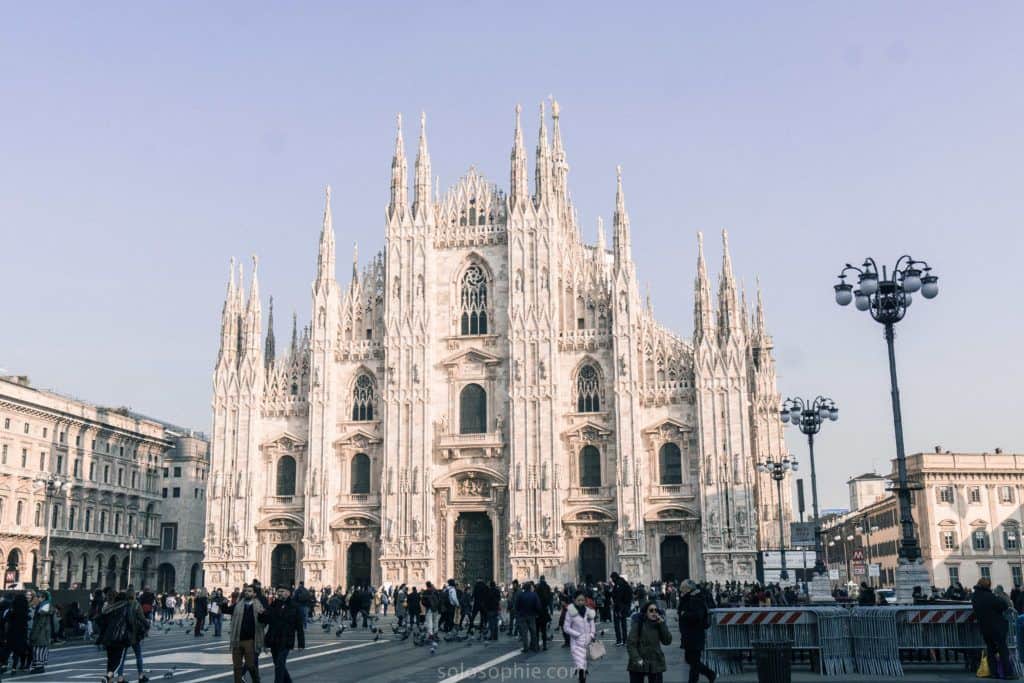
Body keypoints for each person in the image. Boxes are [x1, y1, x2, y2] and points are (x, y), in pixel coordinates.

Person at [260, 586, 305, 683]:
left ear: (288, 593)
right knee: (278, 664)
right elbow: (267, 620)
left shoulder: (295, 606)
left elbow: (299, 627)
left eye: (282, 591)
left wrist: (301, 644)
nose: (279, 593)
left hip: (286, 640)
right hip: (273, 639)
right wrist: (262, 614)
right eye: (278, 591)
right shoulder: (273, 604)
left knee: (280, 664)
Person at [973, 577, 1015, 680]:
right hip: (996, 627)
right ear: (988, 585)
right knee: (1002, 649)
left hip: (984, 628)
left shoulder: (974, 597)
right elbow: (1003, 605)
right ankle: (1008, 673)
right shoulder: (990, 596)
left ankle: (993, 672)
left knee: (990, 650)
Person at [96, 590, 142, 683]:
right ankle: (108, 677)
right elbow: (130, 621)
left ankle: (110, 680)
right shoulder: (126, 607)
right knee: (118, 661)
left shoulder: (109, 608)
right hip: (120, 637)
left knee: (110, 660)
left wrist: (101, 637)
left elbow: (101, 622)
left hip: (108, 638)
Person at [677, 580, 716, 683]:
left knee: (693, 661)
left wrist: (683, 615)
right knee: (692, 660)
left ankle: (709, 674)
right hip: (690, 634)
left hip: (695, 634)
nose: (681, 590)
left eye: (683, 588)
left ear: (689, 589)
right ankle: (708, 674)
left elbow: (697, 615)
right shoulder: (688, 598)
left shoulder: (696, 599)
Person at [627, 600, 672, 683]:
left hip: (655, 662)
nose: (654, 612)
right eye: (651, 610)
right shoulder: (638, 624)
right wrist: (637, 659)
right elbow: (630, 644)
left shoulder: (659, 624)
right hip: (639, 661)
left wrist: (662, 624)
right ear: (645, 612)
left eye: (656, 610)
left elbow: (667, 641)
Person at [230, 584, 265, 683]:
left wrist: (264, 615)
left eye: (249, 591)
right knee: (237, 666)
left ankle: (256, 680)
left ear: (254, 594)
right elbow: (228, 610)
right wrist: (223, 605)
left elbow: (264, 619)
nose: (246, 593)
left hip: (250, 640)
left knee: (250, 665)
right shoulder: (238, 605)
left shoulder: (258, 605)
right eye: (245, 591)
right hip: (237, 639)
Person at [116, 591, 151, 683]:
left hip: (124, 634)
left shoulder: (122, 605)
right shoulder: (136, 605)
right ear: (134, 596)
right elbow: (142, 618)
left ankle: (120, 678)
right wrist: (147, 626)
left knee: (122, 658)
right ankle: (140, 676)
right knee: (138, 655)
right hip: (134, 634)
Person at [563, 591, 596, 683]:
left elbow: (592, 624)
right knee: (581, 665)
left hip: (587, 643)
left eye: (583, 600)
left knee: (584, 665)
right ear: (574, 600)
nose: (581, 602)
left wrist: (592, 634)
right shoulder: (570, 612)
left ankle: (581, 676)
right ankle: (582, 678)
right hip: (576, 644)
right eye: (579, 600)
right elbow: (566, 628)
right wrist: (577, 634)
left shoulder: (589, 611)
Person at [28, 590, 54, 674]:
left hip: (41, 632)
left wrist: (34, 633)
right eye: (38, 597)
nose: (38, 598)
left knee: (38, 649)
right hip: (45, 632)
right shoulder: (45, 606)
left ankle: (39, 667)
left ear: (44, 598)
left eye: (40, 597)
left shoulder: (42, 609)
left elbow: (40, 623)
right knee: (41, 649)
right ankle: (40, 666)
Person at [514, 581, 541, 653]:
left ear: (524, 588)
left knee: (524, 633)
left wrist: (518, 613)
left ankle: (526, 648)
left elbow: (516, 606)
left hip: (522, 616)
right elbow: (538, 606)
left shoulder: (520, 595)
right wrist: (537, 613)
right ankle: (535, 647)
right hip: (532, 615)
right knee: (533, 632)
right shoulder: (534, 595)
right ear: (530, 588)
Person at [612, 572, 633, 647]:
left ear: (614, 577)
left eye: (612, 578)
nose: (612, 580)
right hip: (624, 607)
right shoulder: (624, 583)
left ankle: (619, 640)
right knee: (624, 624)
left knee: (617, 624)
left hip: (619, 608)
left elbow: (618, 597)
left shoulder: (618, 584)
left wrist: (617, 607)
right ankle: (625, 640)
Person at [536, 576, 553, 650]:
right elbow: (549, 599)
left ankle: (536, 645)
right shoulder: (548, 587)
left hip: (537, 611)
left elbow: (535, 599)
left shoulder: (537, 587)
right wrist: (550, 609)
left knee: (536, 629)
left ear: (540, 579)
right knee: (543, 629)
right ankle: (545, 645)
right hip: (544, 611)